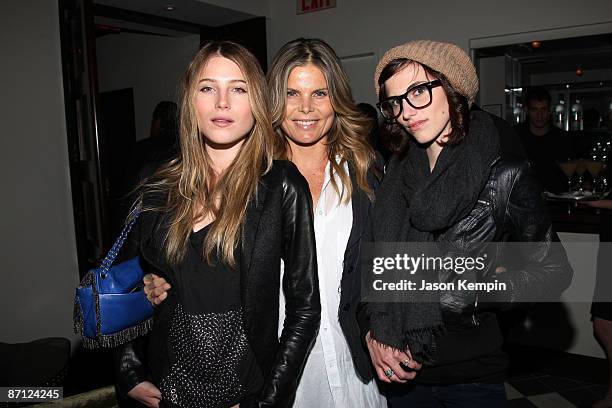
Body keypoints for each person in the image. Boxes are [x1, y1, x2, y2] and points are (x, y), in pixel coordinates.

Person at [146, 37, 387, 408]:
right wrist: (156, 282)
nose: (305, 107)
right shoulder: (251, 178)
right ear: (272, 100)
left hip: (352, 360)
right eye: (291, 93)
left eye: (320, 93)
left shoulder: (364, 171)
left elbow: (380, 264)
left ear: (336, 100)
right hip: (275, 368)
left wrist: (384, 329)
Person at [359, 40, 573, 407]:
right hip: (400, 369)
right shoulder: (393, 173)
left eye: (418, 92)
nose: (406, 111)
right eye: (395, 102)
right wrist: (371, 336)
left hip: (471, 376)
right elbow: (371, 266)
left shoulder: (506, 174)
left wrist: (478, 288)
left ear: (453, 88)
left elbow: (555, 271)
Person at [114, 40, 320, 408]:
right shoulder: (157, 184)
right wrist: (129, 369)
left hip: (245, 393)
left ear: (256, 102)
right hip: (169, 391)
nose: (222, 103)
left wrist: (269, 400)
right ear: (190, 100)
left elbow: (305, 308)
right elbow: (125, 280)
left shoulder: (282, 186)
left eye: (238, 89)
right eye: (208, 88)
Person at [515, 86, 572, 193]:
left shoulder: (562, 138)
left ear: (549, 110)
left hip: (558, 199)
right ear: (526, 110)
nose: (539, 115)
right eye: (534, 110)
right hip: (525, 199)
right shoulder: (516, 136)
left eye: (543, 109)